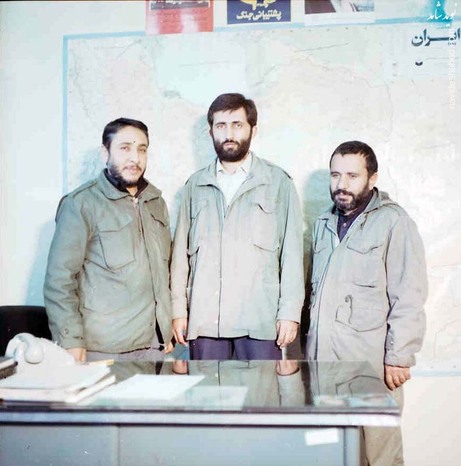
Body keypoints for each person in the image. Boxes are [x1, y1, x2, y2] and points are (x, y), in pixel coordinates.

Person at [306, 140, 427, 466]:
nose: (341, 184)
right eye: (335, 175)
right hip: (324, 366)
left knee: (379, 456)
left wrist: (399, 357)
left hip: (370, 366)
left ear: (372, 178)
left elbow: (409, 294)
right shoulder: (322, 224)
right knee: (330, 454)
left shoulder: (394, 222)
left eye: (352, 175)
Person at [171, 93, 304, 360]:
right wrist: (178, 311)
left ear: (253, 129)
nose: (229, 134)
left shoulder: (278, 183)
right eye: (221, 125)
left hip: (260, 320)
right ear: (210, 132)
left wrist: (290, 313)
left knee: (261, 387)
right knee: (206, 388)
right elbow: (180, 260)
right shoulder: (194, 186)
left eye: (237, 125)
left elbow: (291, 255)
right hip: (205, 320)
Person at [44, 118, 173, 362]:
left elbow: (164, 273)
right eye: (125, 148)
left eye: (142, 149)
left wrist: (165, 327)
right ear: (105, 152)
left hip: (155, 346)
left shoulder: (156, 202)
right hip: (103, 349)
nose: (135, 158)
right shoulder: (81, 204)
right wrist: (70, 340)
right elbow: (59, 280)